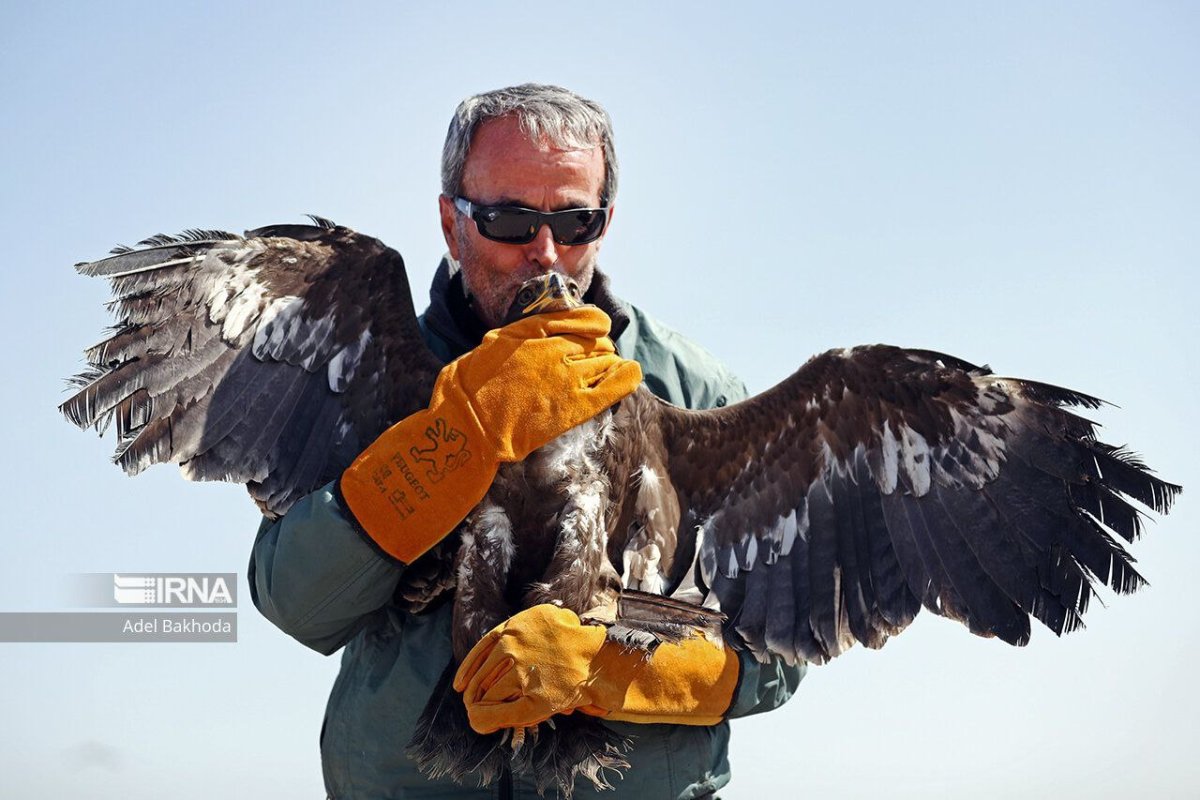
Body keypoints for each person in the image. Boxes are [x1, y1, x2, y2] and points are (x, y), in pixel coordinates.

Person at [250, 83, 804, 799]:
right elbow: (296, 603)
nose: (545, 254)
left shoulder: (694, 392)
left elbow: (776, 655)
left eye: (576, 221)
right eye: (511, 220)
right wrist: (453, 440)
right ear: (452, 224)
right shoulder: (361, 366)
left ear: (605, 223)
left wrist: (604, 668)